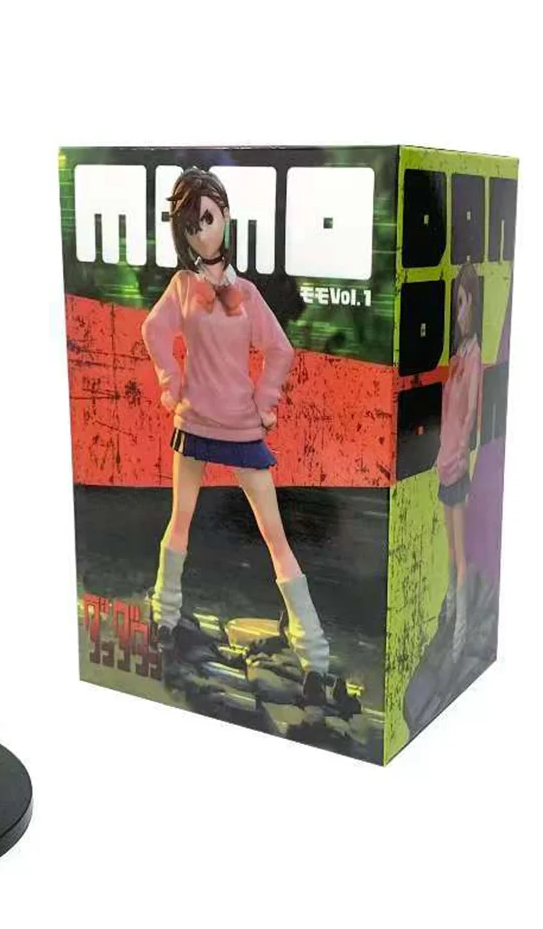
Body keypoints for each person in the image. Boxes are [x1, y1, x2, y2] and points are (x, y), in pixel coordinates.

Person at [141, 167, 329, 703]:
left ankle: (315, 658)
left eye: (207, 218)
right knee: (180, 519)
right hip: (196, 421)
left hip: (242, 428)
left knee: (274, 535)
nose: (201, 232)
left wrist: (265, 404)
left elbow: (280, 350)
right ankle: (165, 619)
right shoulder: (183, 287)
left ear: (224, 214)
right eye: (190, 225)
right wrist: (170, 384)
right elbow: (153, 332)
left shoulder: (245, 293)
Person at [435, 261, 483, 661]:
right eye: (456, 304)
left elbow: (469, 415)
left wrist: (459, 452)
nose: (458, 312)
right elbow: (449, 413)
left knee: (461, 553)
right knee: (450, 550)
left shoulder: (475, 355)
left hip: (458, 462)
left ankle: (460, 633)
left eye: (463, 303)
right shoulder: (459, 354)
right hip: (445, 458)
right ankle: (450, 615)